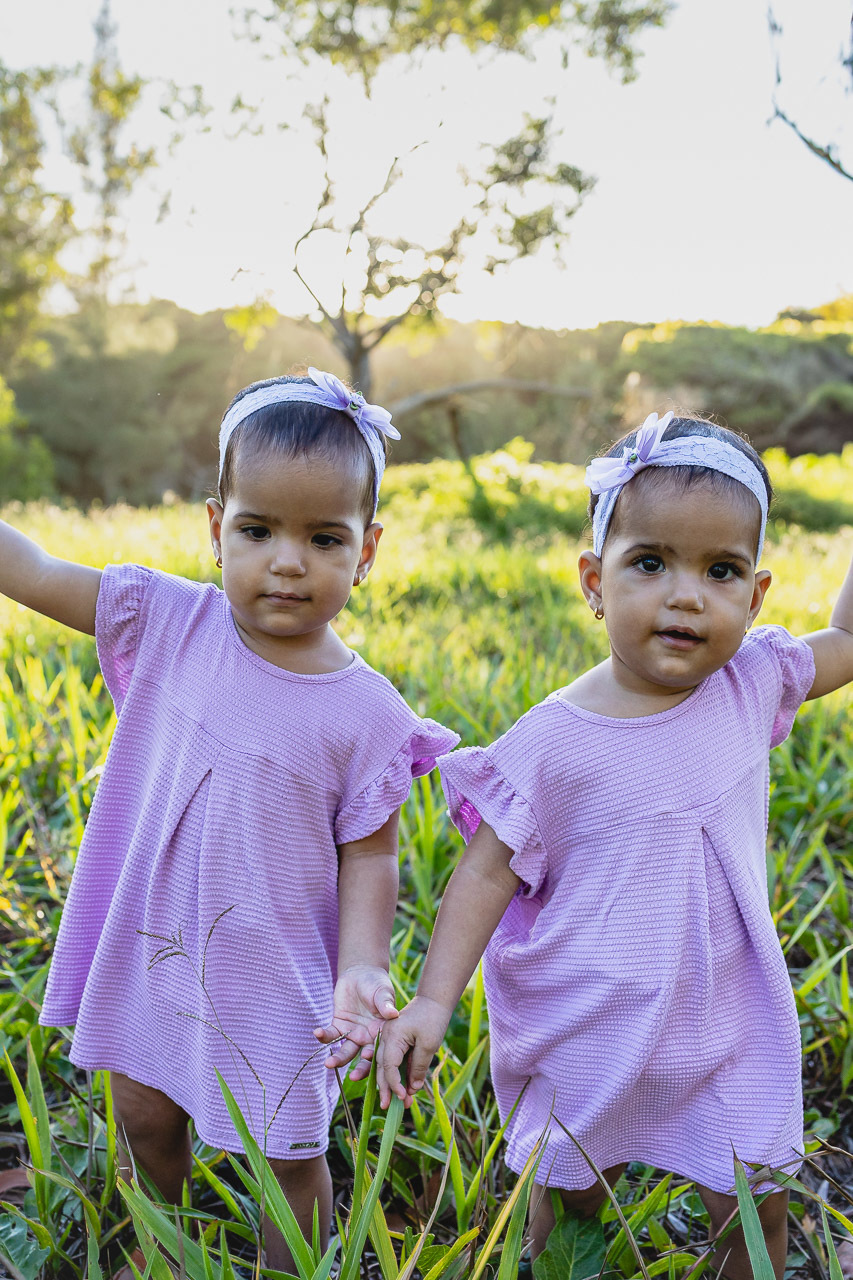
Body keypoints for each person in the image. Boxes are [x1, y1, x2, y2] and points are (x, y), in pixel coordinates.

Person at [376, 412, 853, 1279]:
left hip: (729, 1011)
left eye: (720, 571)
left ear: (756, 595)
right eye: (649, 563)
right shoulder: (552, 741)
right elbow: (482, 877)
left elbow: (848, 641)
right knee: (568, 1213)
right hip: (588, 1016)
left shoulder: (749, 683)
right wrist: (433, 1003)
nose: (685, 594)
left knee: (756, 1205)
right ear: (594, 580)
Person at [2, 369, 458, 1271]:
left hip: (274, 971)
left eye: (323, 538)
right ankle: (161, 1247)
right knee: (140, 1110)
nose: (287, 561)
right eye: (258, 530)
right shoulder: (171, 621)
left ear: (366, 552)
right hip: (150, 939)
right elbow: (39, 574)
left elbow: (371, 857)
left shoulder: (366, 711)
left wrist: (362, 962)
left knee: (288, 1152)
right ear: (218, 530)